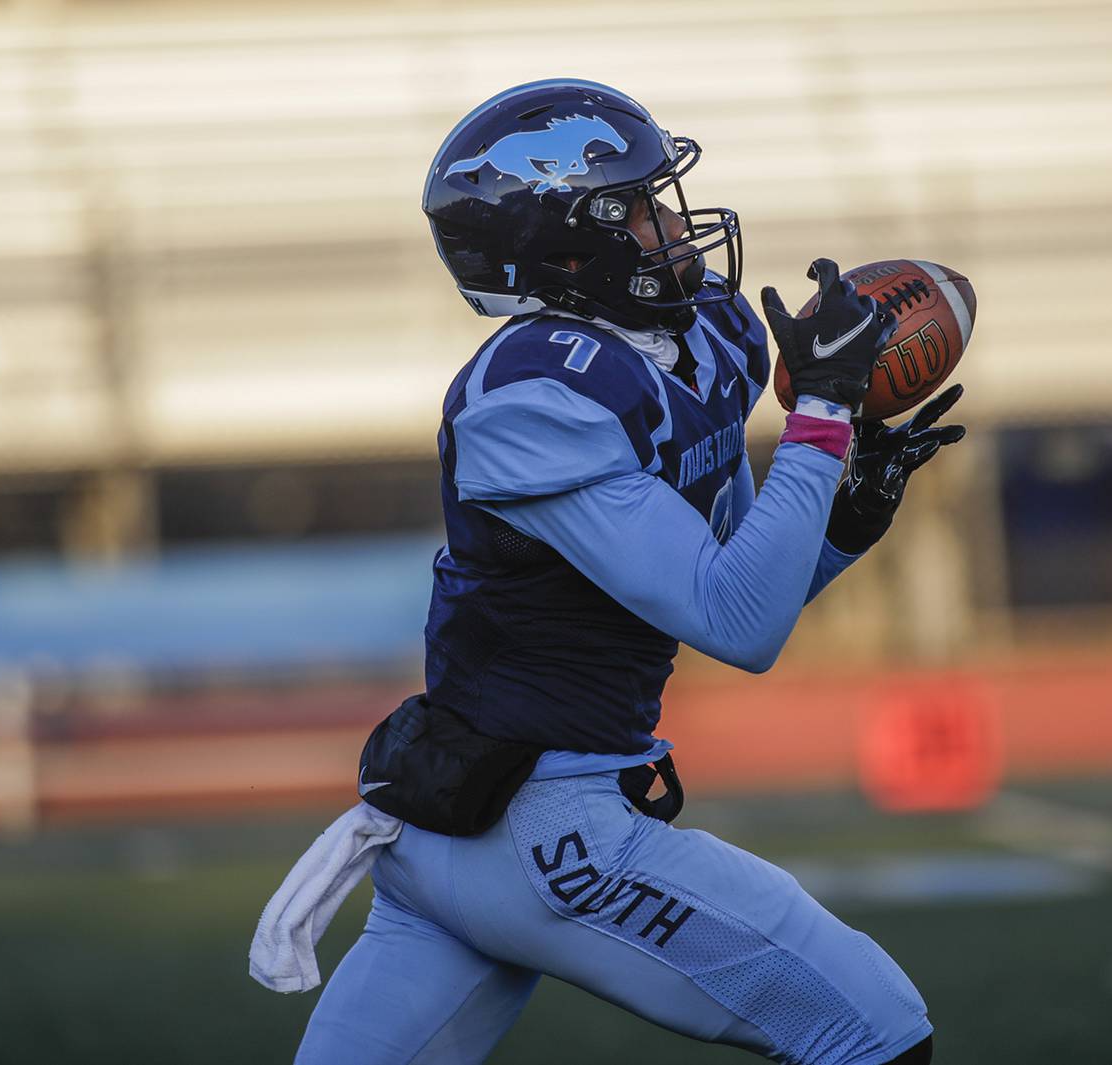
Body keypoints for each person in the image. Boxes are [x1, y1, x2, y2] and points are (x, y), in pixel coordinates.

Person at [288, 79, 964, 1065]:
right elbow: (740, 624)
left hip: (457, 816)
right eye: (642, 208)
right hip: (543, 828)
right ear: (570, 248)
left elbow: (732, 571)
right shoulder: (530, 399)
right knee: (876, 1030)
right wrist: (817, 415)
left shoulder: (703, 335)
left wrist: (846, 516)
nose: (675, 226)